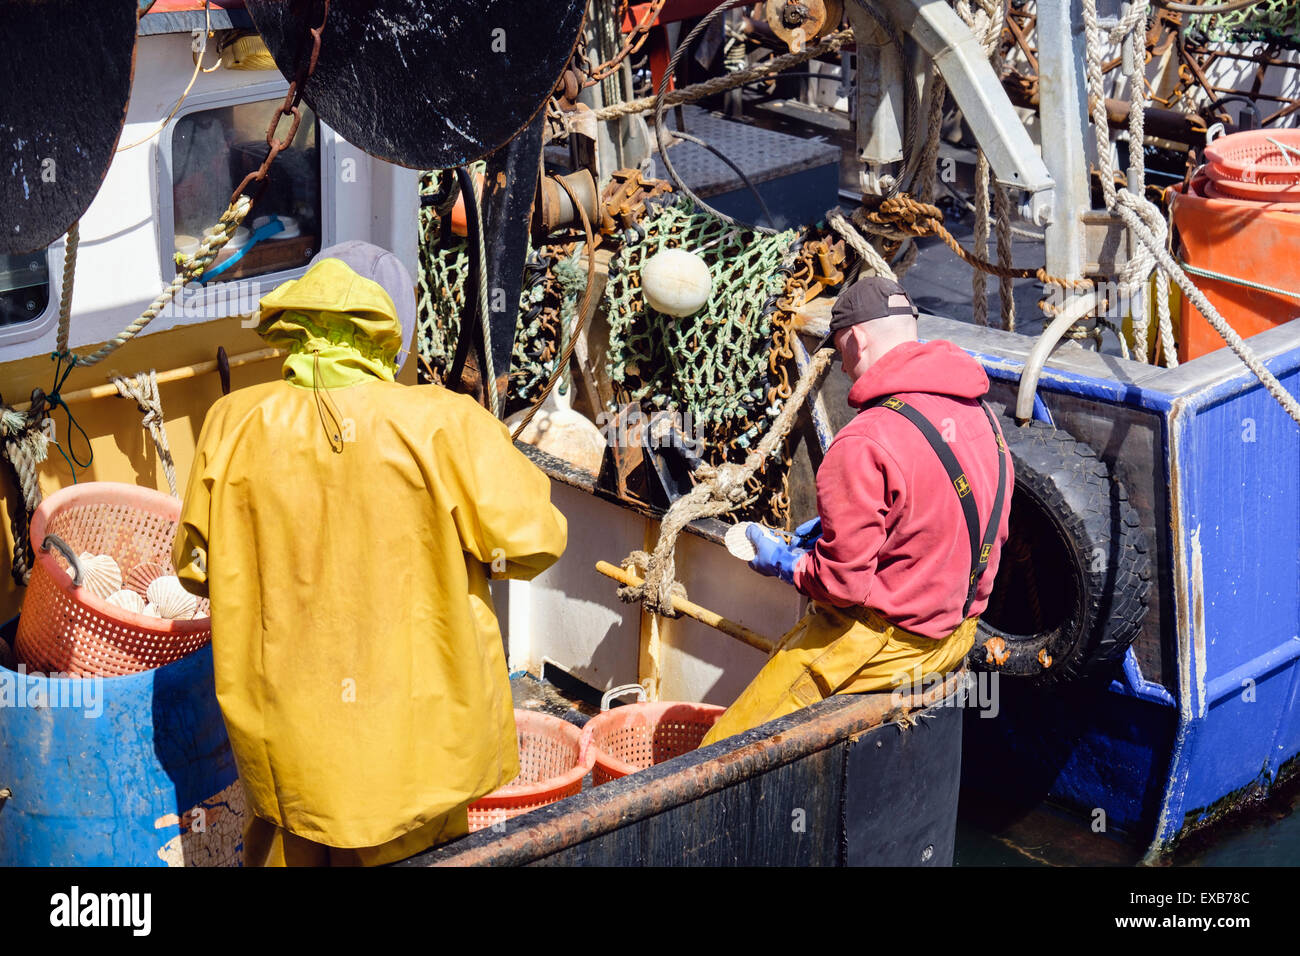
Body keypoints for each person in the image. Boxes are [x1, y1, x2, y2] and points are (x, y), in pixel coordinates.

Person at [173, 241, 567, 866]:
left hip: (291, 761)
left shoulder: (230, 423)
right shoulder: (441, 423)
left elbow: (194, 571)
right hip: (412, 766)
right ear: (393, 332)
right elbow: (535, 539)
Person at [700, 276, 1012, 745]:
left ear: (859, 340)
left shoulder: (864, 440)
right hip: (956, 637)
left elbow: (842, 585)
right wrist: (837, 529)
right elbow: (937, 515)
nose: (844, 368)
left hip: (881, 648)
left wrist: (787, 562)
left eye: (842, 352)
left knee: (721, 753)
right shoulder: (983, 416)